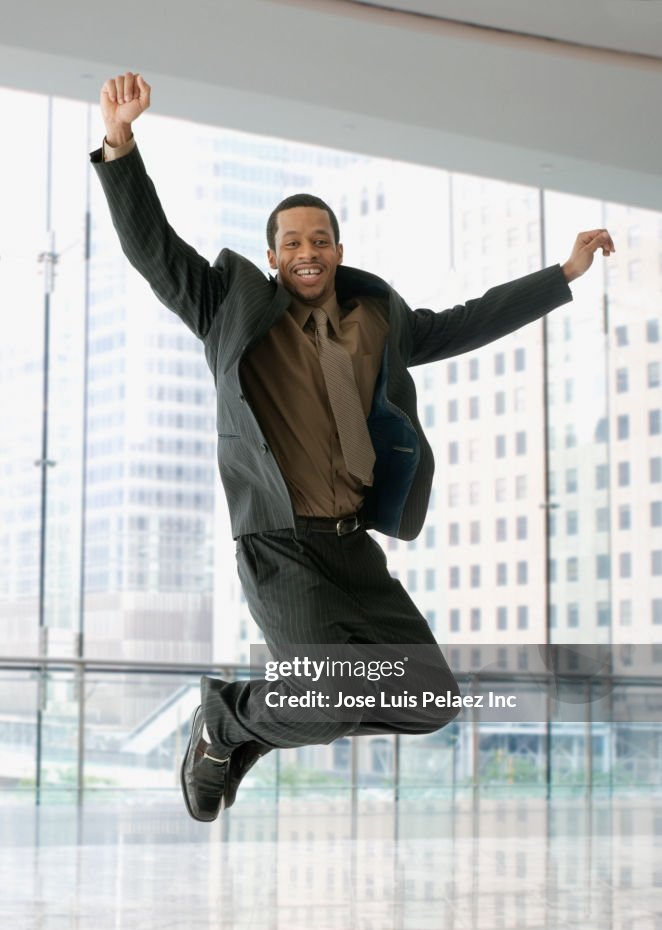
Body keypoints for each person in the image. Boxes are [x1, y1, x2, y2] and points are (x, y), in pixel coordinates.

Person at [92, 72, 616, 821]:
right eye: (291, 244)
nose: (307, 253)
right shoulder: (228, 309)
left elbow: (464, 322)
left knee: (430, 699)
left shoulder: (380, 320)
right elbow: (154, 252)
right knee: (328, 696)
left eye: (319, 240)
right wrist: (119, 144)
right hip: (280, 545)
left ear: (338, 248)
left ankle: (255, 720)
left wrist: (561, 274)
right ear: (272, 257)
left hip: (351, 547)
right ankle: (227, 718)